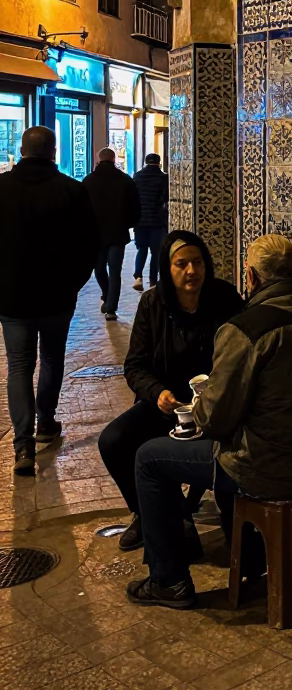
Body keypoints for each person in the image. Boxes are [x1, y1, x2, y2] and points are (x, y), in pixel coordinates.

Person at [125, 233, 292, 609]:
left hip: (266, 468)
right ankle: (248, 555)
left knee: (150, 458)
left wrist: (199, 407)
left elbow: (214, 420)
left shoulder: (246, 330)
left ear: (251, 278)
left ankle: (168, 581)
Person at [98, 231, 244, 551]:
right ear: (168, 267)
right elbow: (134, 365)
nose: (191, 271)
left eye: (197, 262)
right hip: (166, 405)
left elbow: (245, 354)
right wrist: (156, 392)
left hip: (214, 408)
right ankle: (151, 511)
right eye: (181, 264)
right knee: (113, 441)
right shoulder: (153, 303)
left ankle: (171, 517)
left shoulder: (225, 298)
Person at [0, 126, 100, 474]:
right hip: (57, 296)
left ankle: (23, 446)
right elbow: (90, 244)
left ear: (21, 150)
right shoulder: (71, 191)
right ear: (54, 152)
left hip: (11, 298)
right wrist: (73, 283)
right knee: (52, 358)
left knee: (19, 365)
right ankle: (46, 423)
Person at [83, 148, 140, 321]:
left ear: (98, 160)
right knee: (115, 271)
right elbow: (135, 209)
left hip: (96, 236)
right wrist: (127, 224)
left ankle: (106, 294)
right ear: (114, 159)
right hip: (117, 234)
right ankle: (111, 309)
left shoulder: (88, 181)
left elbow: (82, 210)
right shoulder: (125, 180)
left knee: (99, 269)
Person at [132, 153, 169, 291]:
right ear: (159, 163)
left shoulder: (137, 177)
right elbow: (165, 197)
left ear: (145, 162)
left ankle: (138, 276)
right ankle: (153, 279)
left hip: (140, 220)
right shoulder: (163, 178)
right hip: (157, 220)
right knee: (156, 251)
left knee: (142, 249)